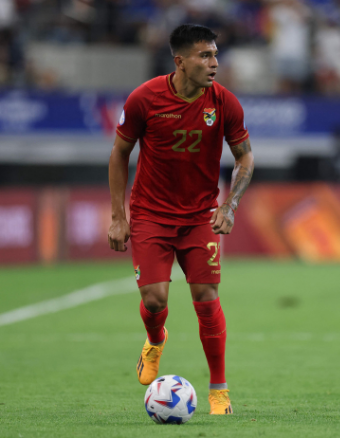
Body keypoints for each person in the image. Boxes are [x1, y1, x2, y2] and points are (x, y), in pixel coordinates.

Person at [107, 24, 254, 415]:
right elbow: (119, 153)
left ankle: (219, 391)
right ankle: (155, 340)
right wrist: (117, 216)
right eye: (205, 56)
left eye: (215, 55)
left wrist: (230, 205)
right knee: (155, 300)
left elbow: (245, 157)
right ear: (180, 61)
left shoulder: (224, 103)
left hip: (200, 215)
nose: (214, 64)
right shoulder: (145, 98)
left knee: (206, 297)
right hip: (151, 215)